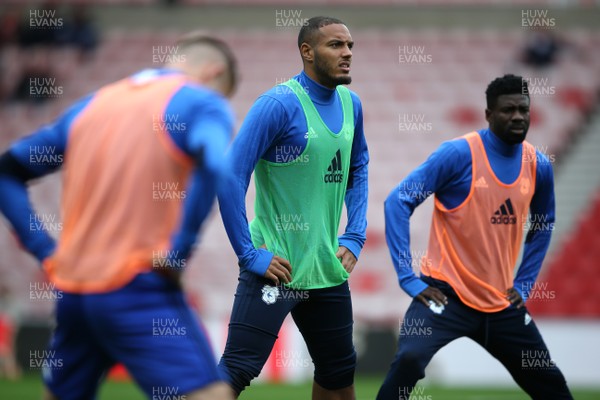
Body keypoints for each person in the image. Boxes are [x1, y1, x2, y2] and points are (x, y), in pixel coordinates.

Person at [0, 33, 238, 400]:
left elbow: (7, 172)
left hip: (74, 291)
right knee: (210, 395)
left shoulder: (91, 106)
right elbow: (217, 164)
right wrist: (180, 249)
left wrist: (45, 250)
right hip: (136, 285)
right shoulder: (202, 103)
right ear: (213, 72)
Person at [377, 74, 573, 400]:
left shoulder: (538, 165)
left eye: (523, 109)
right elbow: (397, 202)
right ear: (488, 114)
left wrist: (524, 283)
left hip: (500, 303)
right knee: (409, 359)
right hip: (443, 296)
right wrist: (407, 278)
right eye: (508, 109)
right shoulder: (457, 154)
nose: (518, 116)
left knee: (551, 384)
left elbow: (544, 224)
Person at [217, 16, 368, 400]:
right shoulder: (277, 105)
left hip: (326, 268)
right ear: (307, 51)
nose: (347, 53)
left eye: (349, 45)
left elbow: (358, 166)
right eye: (335, 45)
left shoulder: (352, 105)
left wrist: (355, 232)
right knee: (236, 370)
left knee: (339, 372)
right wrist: (249, 255)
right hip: (276, 268)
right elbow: (230, 177)